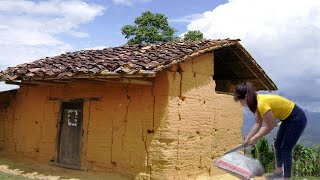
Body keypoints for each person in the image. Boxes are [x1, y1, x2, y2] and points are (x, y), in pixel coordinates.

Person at [234, 82, 307, 180]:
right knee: (278, 144)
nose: (241, 103)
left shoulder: (262, 103)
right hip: (287, 119)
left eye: (240, 100)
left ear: (246, 97)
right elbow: (258, 124)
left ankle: (287, 178)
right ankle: (279, 171)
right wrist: (247, 139)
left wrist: (256, 137)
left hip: (297, 118)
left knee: (286, 148)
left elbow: (270, 126)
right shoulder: (256, 102)